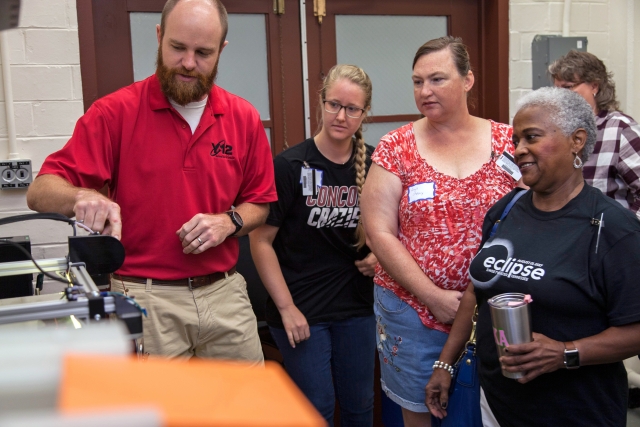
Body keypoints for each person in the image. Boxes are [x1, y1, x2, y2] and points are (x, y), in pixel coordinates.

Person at [25, 0, 276, 362]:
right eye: (178, 47)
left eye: (203, 52)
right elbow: (40, 190)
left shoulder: (243, 118)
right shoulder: (115, 113)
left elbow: (260, 203)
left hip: (225, 296)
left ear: (221, 50)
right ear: (159, 37)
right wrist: (82, 197)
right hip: (145, 298)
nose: (189, 63)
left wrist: (229, 221)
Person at [426, 87, 640, 427]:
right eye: (516, 140)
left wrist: (564, 353)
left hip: (575, 412)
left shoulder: (612, 229)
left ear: (577, 141)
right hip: (497, 404)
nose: (520, 150)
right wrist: (445, 363)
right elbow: (477, 291)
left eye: (532, 137)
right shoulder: (505, 211)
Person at [360, 36, 518, 427]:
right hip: (412, 309)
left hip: (493, 308)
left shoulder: (507, 141)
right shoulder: (396, 146)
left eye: (437, 79)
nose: (424, 91)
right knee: (420, 409)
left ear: (468, 80)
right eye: (417, 82)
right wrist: (431, 296)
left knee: (494, 408)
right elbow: (378, 231)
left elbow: (535, 213)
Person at [249, 64, 377, 426]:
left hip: (357, 307)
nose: (341, 116)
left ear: (365, 113)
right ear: (320, 103)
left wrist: (379, 258)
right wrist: (286, 308)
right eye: (334, 104)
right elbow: (261, 243)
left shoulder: (375, 166)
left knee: (359, 406)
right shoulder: (290, 166)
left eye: (353, 109)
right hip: (301, 311)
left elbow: (392, 232)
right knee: (314, 410)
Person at [550, 50, 640, 220]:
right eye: (557, 89)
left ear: (594, 86)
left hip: (607, 239)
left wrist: (626, 234)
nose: (560, 96)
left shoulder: (620, 129)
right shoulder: (554, 130)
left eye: (568, 87)